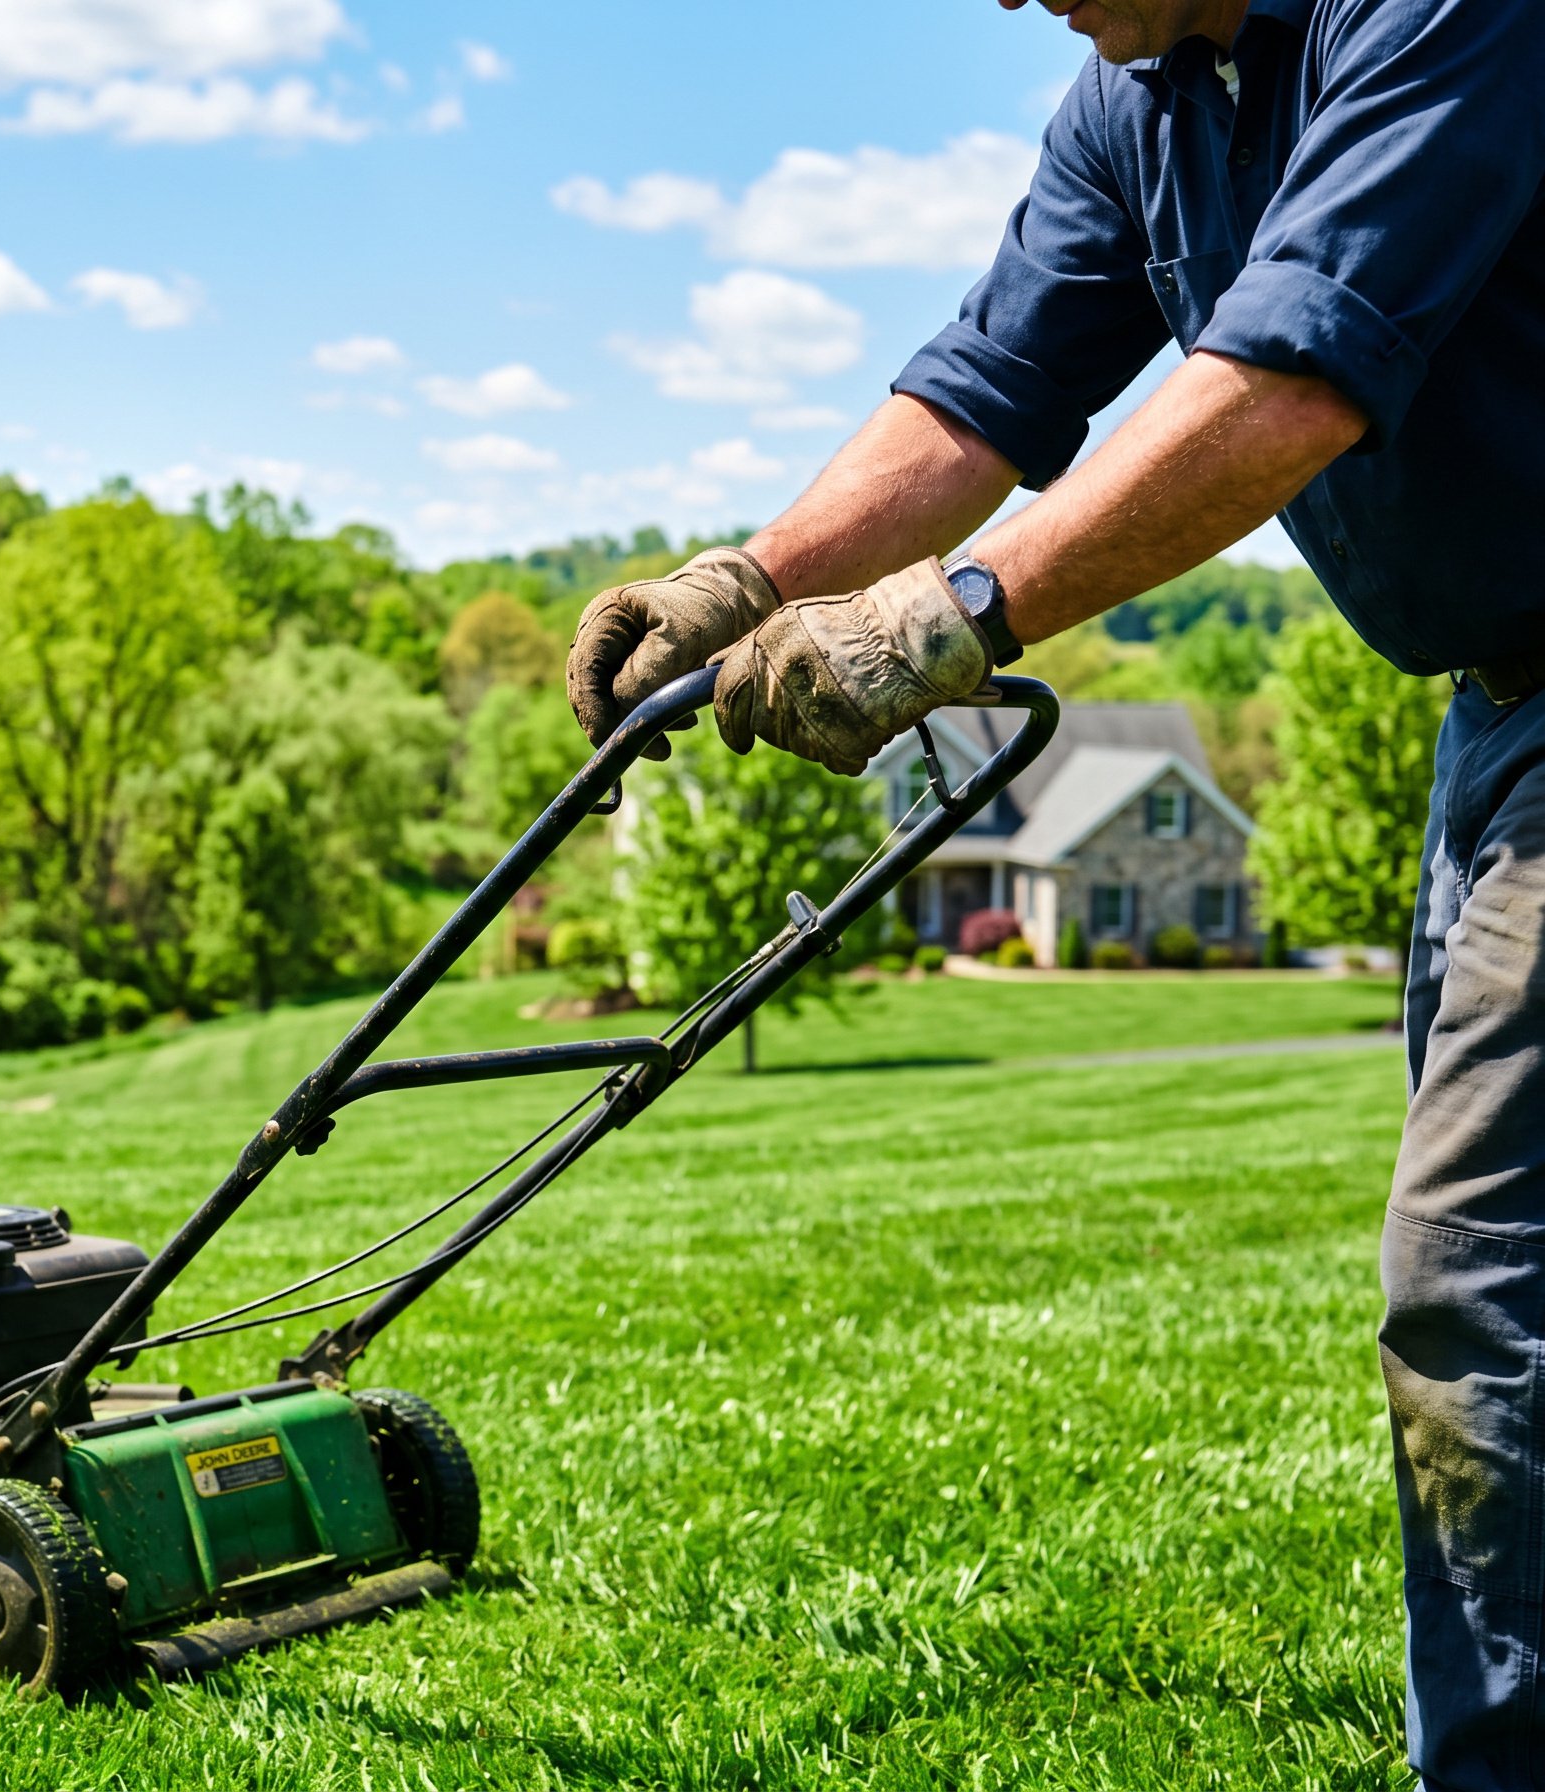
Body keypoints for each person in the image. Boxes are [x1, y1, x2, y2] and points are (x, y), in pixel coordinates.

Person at [564, 1, 1545, 1782]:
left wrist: (950, 620)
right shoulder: (1137, 107)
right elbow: (984, 389)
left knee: (1480, 1282)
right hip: (1492, 715)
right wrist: (748, 582)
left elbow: (1295, 374)